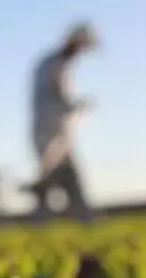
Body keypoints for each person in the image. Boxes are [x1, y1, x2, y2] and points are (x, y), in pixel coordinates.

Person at [28, 22, 99, 222]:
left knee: (66, 178)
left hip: (60, 135)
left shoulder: (62, 66)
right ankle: (77, 219)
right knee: (54, 179)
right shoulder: (50, 65)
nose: (81, 52)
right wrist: (77, 105)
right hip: (47, 134)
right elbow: (50, 99)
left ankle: (84, 218)